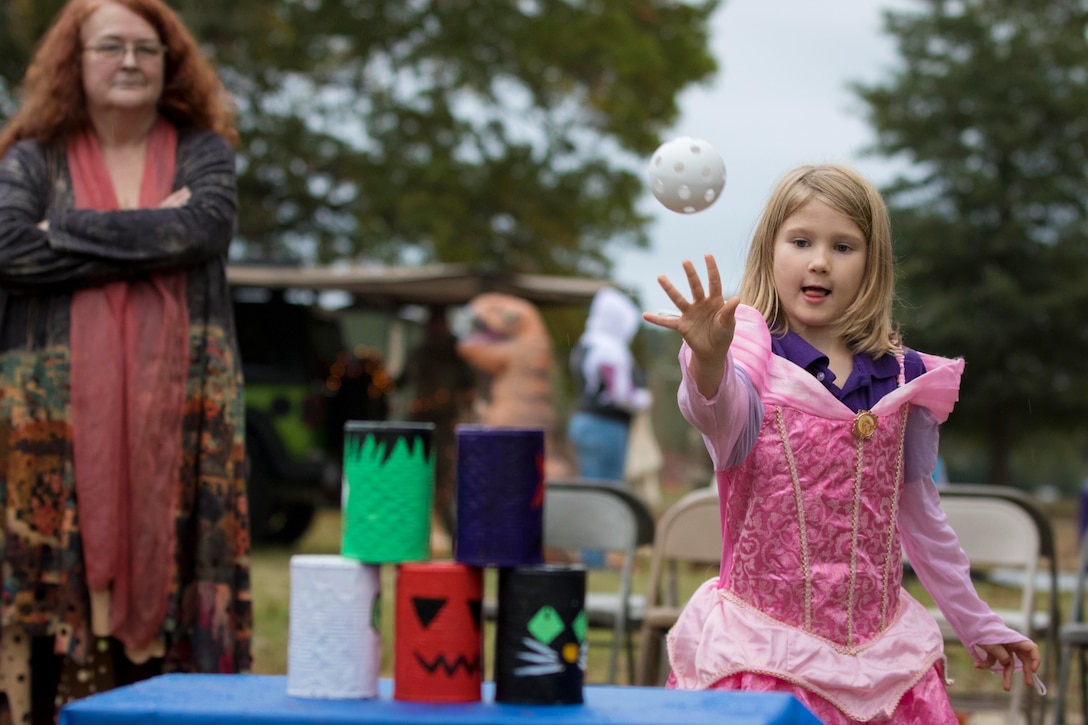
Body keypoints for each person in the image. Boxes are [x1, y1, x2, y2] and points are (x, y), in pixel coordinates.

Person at [642, 164, 1039, 724]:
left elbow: (922, 519)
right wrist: (708, 359)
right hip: (765, 660)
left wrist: (977, 621)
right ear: (769, 251)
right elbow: (719, 418)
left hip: (887, 667)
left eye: (844, 245)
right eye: (801, 241)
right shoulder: (750, 361)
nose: (820, 261)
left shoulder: (903, 379)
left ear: (872, 264)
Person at [0, 1, 251, 722]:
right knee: (47, 593)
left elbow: (200, 229)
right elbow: (9, 249)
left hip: (184, 416)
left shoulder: (203, 153)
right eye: (111, 46)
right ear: (74, 62)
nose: (132, 62)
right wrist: (149, 237)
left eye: (149, 48)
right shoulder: (32, 158)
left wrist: (67, 228)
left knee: (176, 576)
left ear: (170, 64)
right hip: (46, 422)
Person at [567, 287, 653, 482]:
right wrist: (643, 400)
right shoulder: (611, 350)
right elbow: (620, 396)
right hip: (605, 427)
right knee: (606, 491)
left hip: (583, 421)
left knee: (590, 484)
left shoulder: (586, 342)